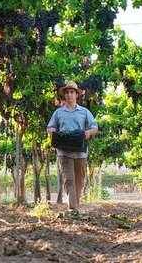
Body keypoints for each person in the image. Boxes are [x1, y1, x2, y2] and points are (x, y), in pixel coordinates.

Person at [47, 81, 98, 213]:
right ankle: (72, 208)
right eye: (67, 93)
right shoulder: (58, 113)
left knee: (79, 180)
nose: (69, 95)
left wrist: (88, 133)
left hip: (80, 151)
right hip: (63, 151)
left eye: (72, 92)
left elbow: (94, 127)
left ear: (76, 95)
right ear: (64, 95)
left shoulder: (84, 112)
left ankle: (75, 205)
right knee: (68, 179)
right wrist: (52, 130)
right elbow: (50, 127)